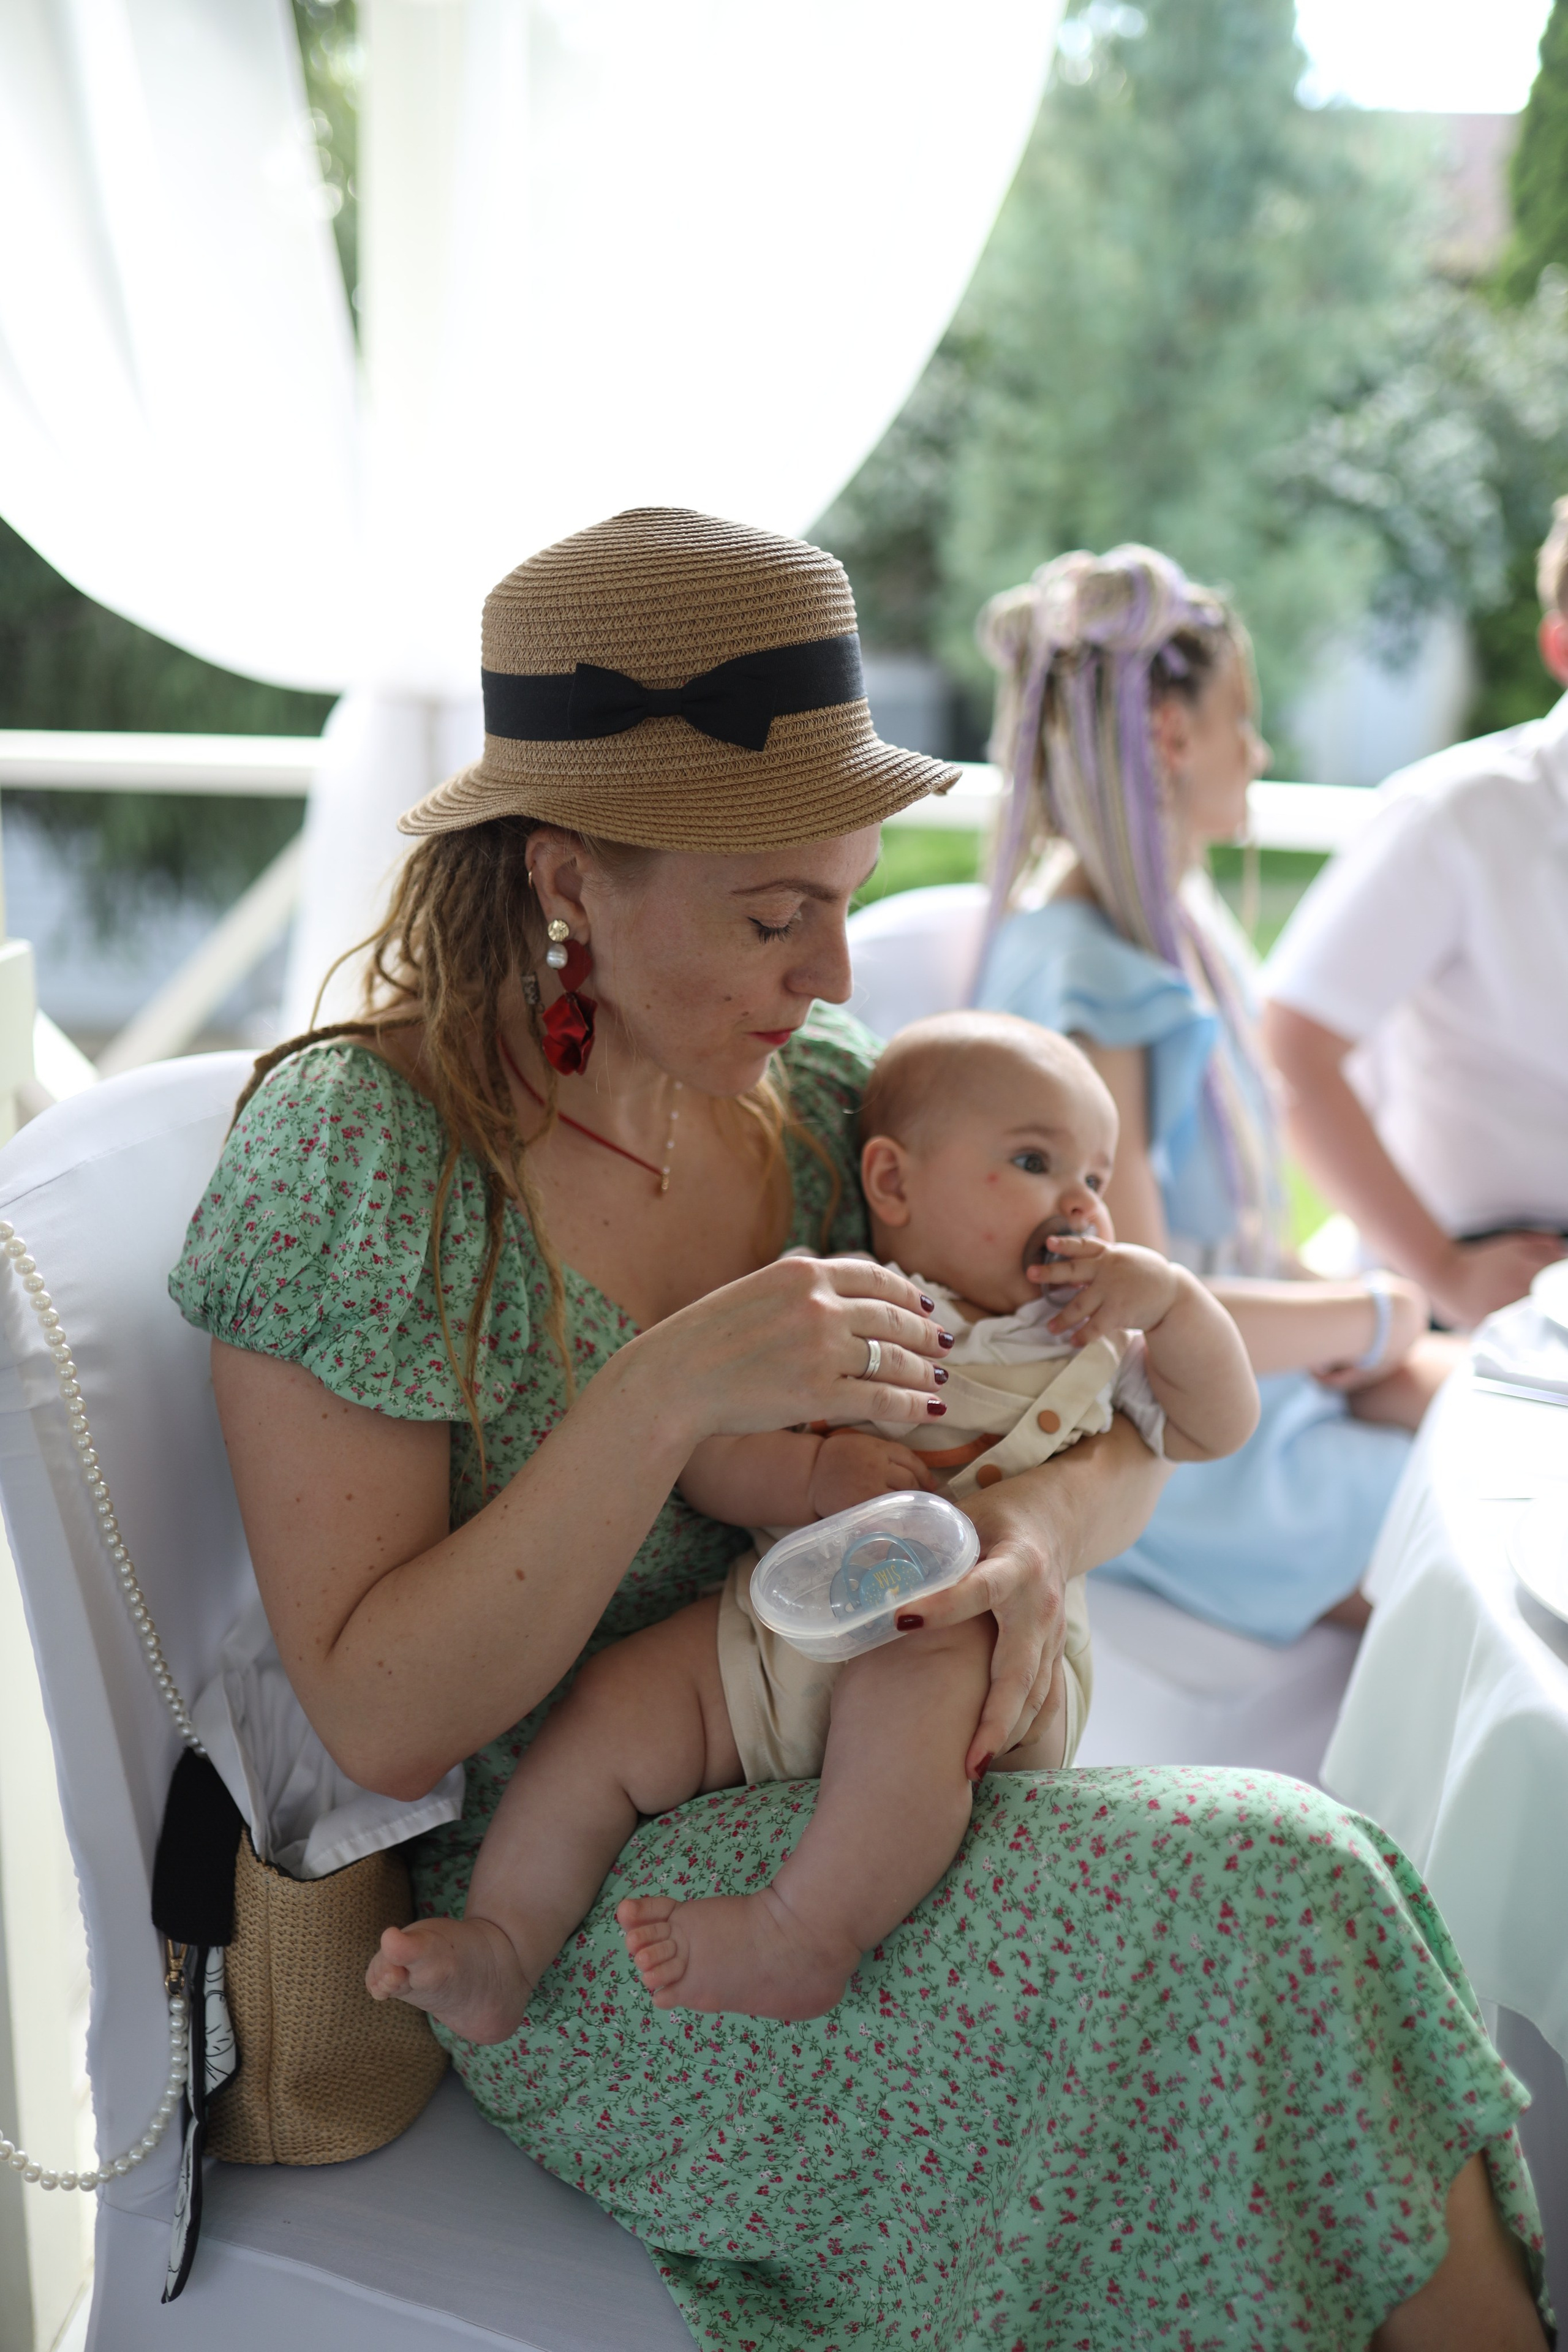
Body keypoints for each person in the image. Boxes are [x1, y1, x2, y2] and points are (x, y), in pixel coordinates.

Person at [171, 510, 1548, 2349]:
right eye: (775, 915)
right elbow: (381, 1712)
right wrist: (668, 1391)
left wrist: (1033, 1541)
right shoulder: (363, 1156)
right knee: (1278, 1889)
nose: (832, 969)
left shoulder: (829, 1108)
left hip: (878, 1798)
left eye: (846, 894)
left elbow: (1108, 1423)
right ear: (569, 879)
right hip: (591, 1909)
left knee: (1312, 1880)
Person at [363, 1012, 1258, 2035]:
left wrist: (1174, 1304)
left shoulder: (1085, 1341)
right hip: (775, 1634)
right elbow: (711, 1460)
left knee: (931, 1644)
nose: (1080, 1204)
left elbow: (1215, 1426)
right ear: (894, 1183)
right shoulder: (842, 1309)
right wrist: (813, 1472)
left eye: (1095, 1177)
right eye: (1033, 1161)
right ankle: (507, 1940)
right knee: (613, 1706)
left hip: (966, 1661)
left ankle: (806, 1931)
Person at [974, 544, 1457, 1645]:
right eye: (1244, 717)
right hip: (1192, 1438)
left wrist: (1368, 1319)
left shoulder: (1176, 936)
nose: (1260, 749)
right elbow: (1139, 1317)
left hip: (1260, 1370)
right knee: (1491, 1514)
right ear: (1173, 737)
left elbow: (1226, 1246)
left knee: (1505, 1407)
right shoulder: (1089, 989)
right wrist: (1381, 1314)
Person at [1262, 499, 1568, 1328]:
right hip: (1473, 1290)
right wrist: (1442, 1271)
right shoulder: (1459, 817)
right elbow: (1291, 1048)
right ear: (1560, 648)